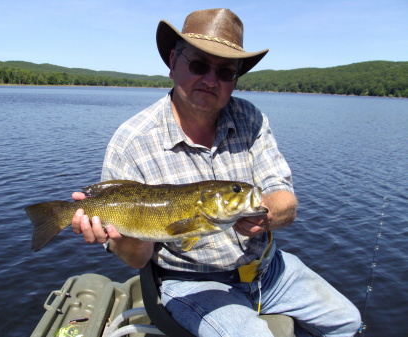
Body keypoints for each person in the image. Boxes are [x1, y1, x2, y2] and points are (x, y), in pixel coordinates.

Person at [71, 8, 361, 336]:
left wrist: (266, 216)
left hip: (269, 270)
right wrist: (120, 235)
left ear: (235, 79)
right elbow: (138, 260)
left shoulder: (251, 119)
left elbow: (285, 199)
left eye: (225, 72)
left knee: (348, 321)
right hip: (192, 284)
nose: (211, 80)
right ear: (172, 63)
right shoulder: (132, 142)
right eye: (198, 65)